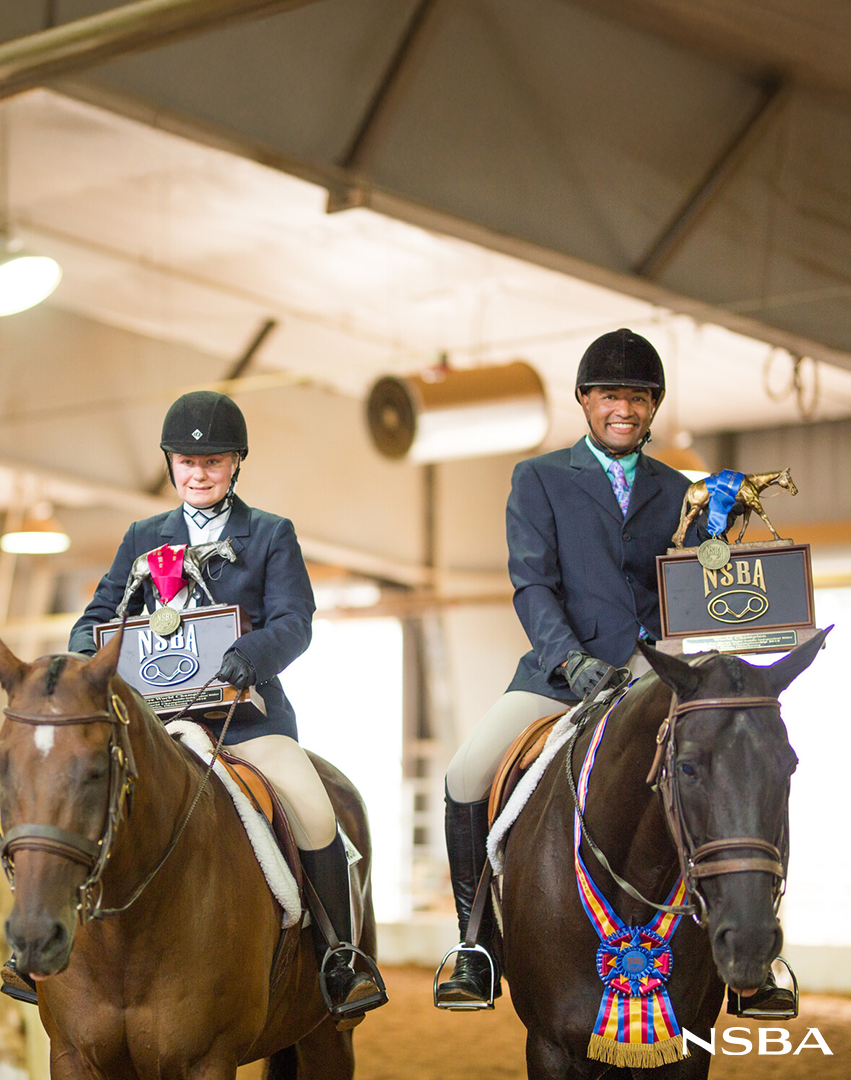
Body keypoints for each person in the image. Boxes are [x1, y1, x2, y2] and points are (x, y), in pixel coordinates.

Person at [434, 328, 791, 1016]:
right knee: (466, 774)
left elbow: (699, 587)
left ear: (652, 407)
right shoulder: (538, 479)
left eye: (637, 396)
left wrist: (724, 553)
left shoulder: (683, 491)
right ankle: (475, 947)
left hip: (662, 668)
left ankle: (759, 957)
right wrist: (571, 658)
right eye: (609, 396)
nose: (622, 407)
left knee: (746, 760)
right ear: (584, 402)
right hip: (560, 672)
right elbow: (532, 585)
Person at [41, 390, 384, 1026]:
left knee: (312, 811)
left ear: (236, 464)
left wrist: (249, 655)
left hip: (245, 720)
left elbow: (296, 622)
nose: (199, 474)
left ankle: (340, 956)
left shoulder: (270, 535)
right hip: (155, 724)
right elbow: (93, 620)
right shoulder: (142, 537)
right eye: (186, 462)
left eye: (214, 461)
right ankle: (37, 942)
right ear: (171, 464)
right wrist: (94, 650)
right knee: (57, 794)